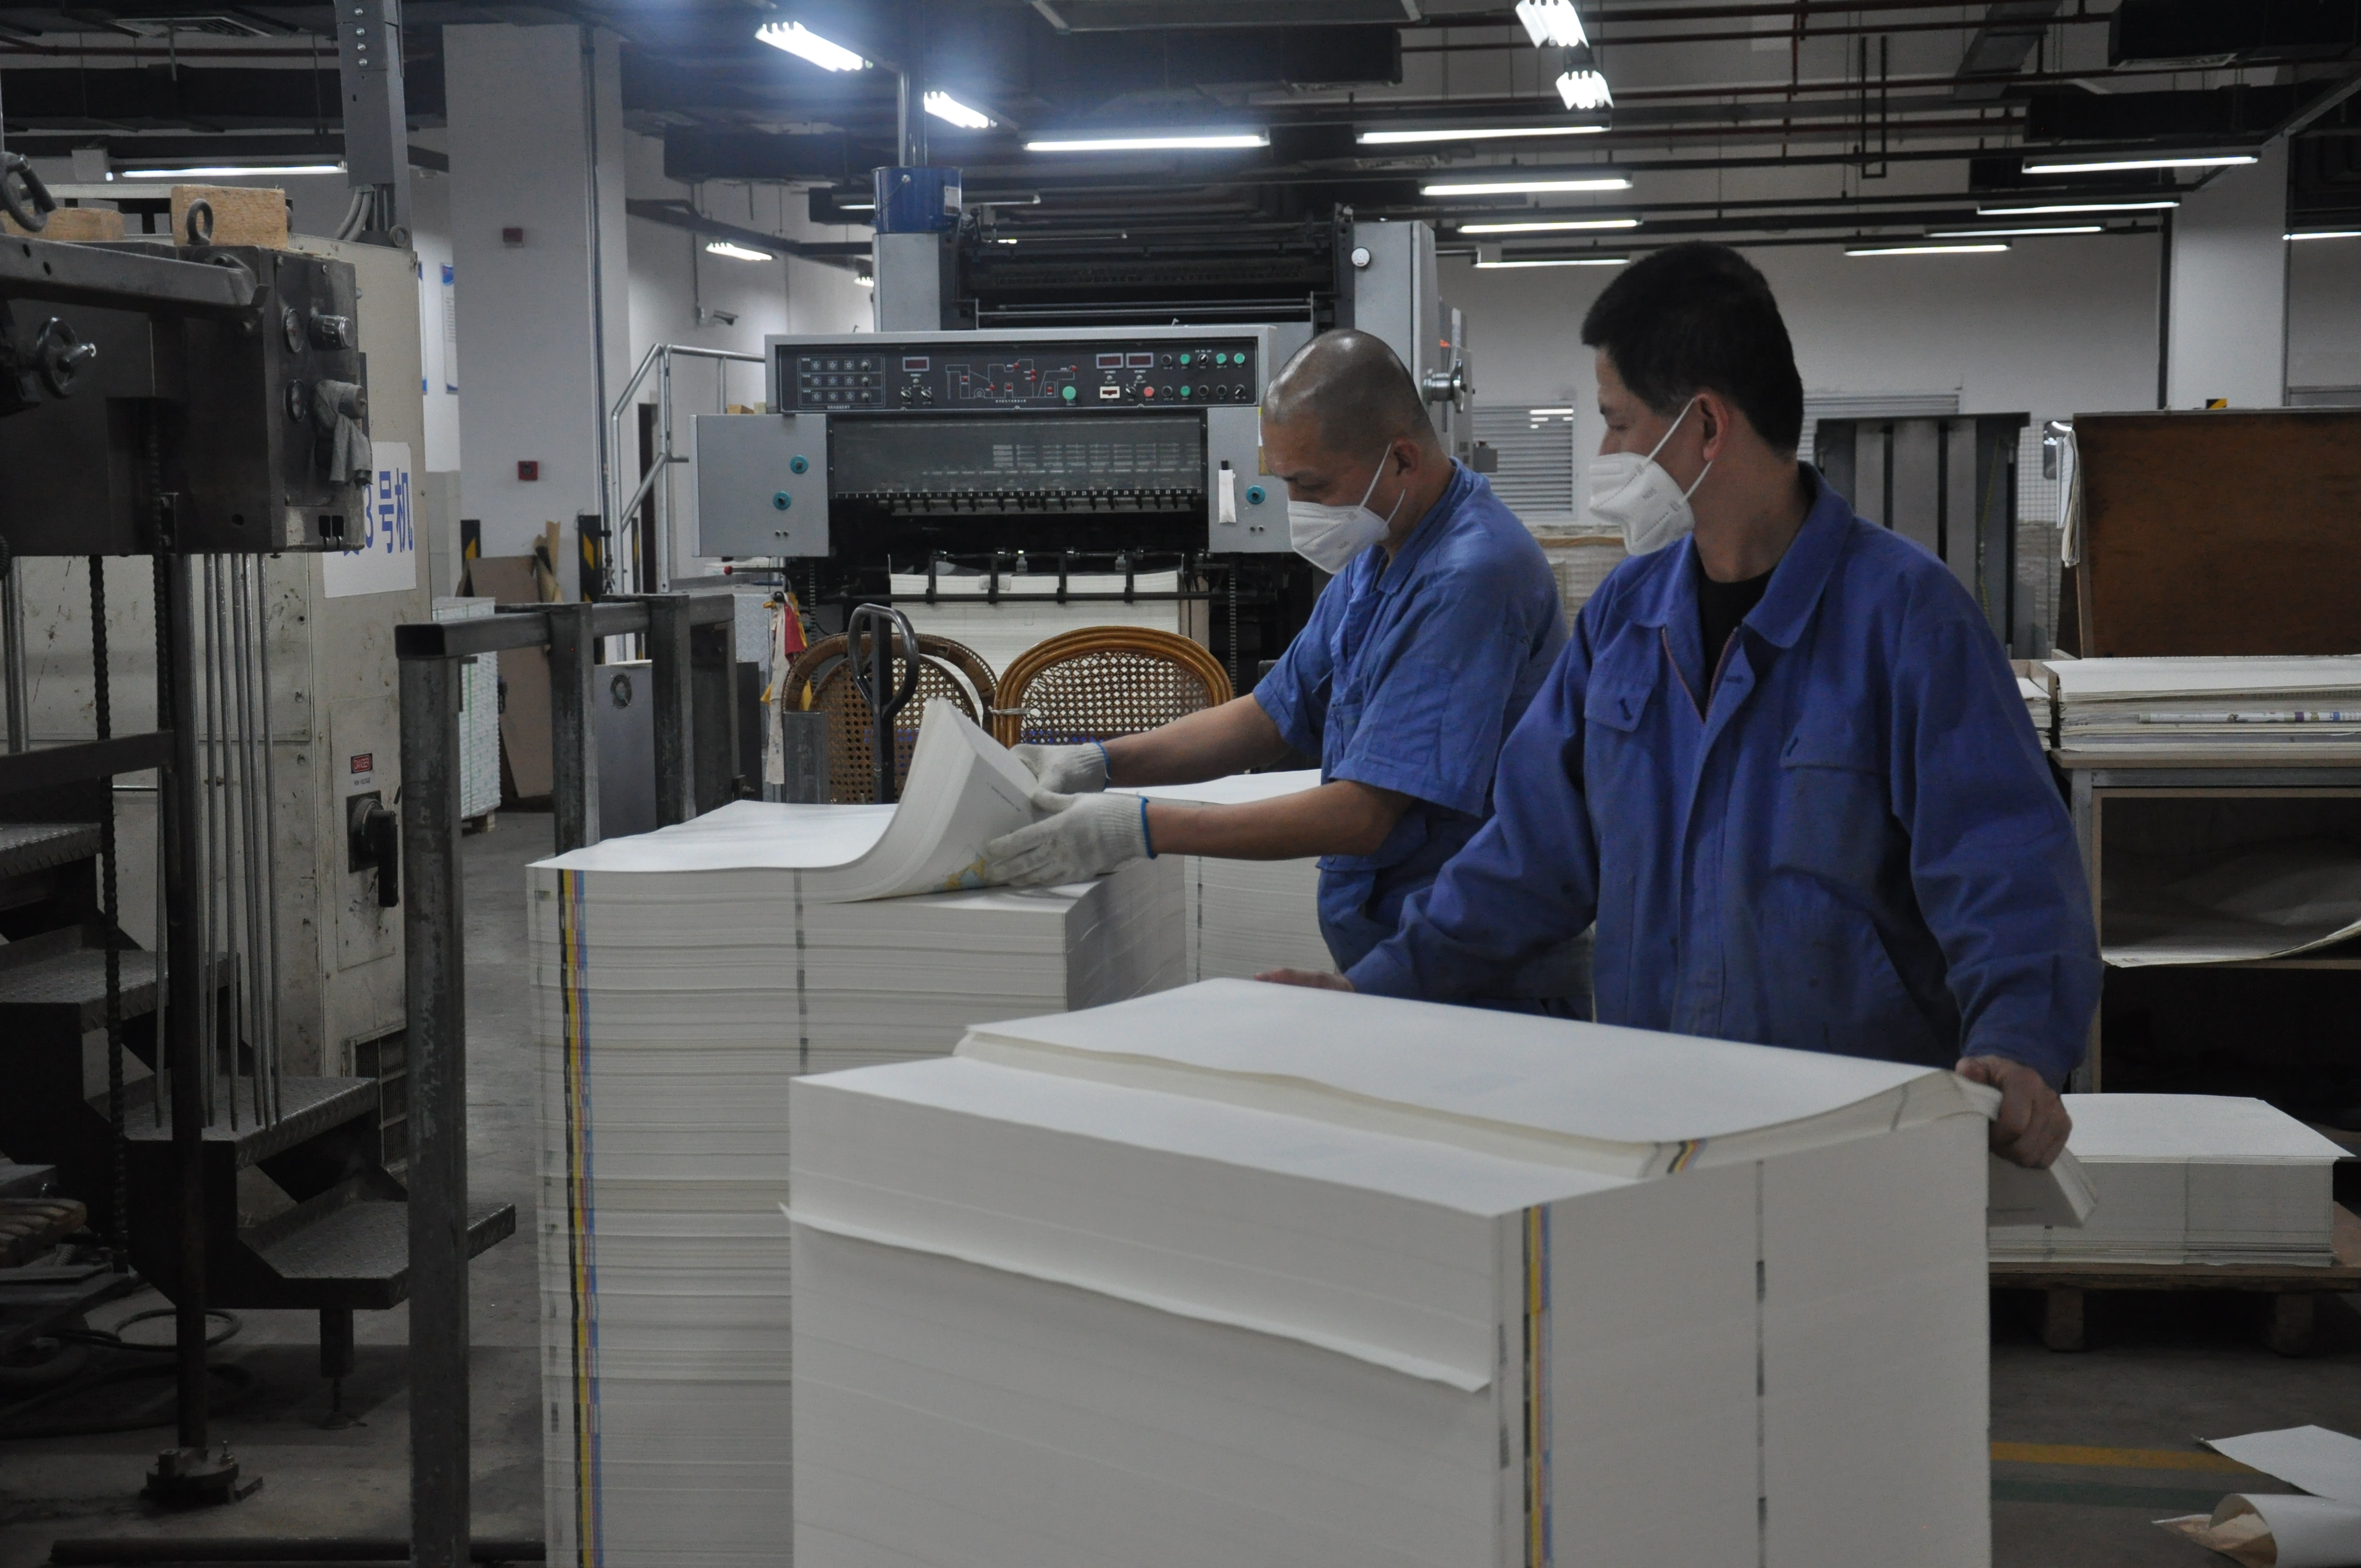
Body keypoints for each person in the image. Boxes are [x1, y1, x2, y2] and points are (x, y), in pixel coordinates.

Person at [1265, 243, 2098, 1169]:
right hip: (1655, 1122)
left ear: (1705, 426)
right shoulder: (1626, 620)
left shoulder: (1905, 620)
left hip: (1851, 1136)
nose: (1605, 455)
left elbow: (2003, 867)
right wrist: (1376, 987)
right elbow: (1527, 857)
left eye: (1618, 422)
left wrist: (2018, 1044)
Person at [981, 328, 1587, 1014]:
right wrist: (1096, 762)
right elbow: (1271, 715)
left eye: (1312, 484)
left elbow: (1362, 815)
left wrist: (1137, 828)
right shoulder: (1382, 550)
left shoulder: (1470, 575)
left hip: (1475, 975)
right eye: (1285, 482)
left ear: (1402, 460)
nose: (1297, 508)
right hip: (1394, 954)